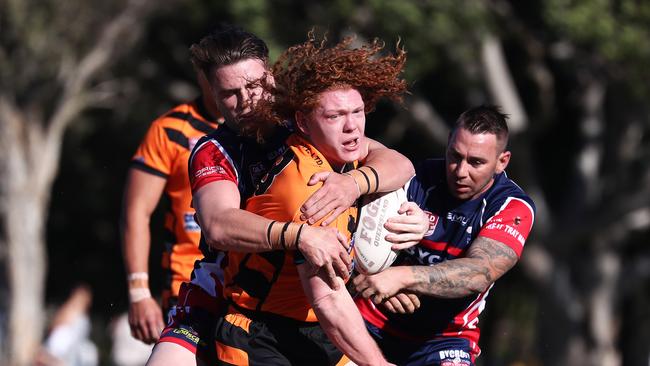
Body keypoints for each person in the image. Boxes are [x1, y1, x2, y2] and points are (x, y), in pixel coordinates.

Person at [146, 26, 417, 366]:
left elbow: (399, 163)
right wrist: (300, 235)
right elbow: (218, 224)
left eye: (253, 86)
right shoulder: (215, 150)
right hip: (220, 297)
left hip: (308, 311)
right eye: (230, 93)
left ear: (270, 78)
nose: (246, 101)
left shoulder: (305, 123)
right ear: (212, 93)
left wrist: (355, 184)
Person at [353, 105, 536, 365]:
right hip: (371, 321)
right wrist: (371, 276)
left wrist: (401, 278)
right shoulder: (416, 177)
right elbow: (356, 237)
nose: (461, 171)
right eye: (455, 156)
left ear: (502, 161)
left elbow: (479, 273)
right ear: (448, 142)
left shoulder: (511, 206)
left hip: (446, 338)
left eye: (476, 162)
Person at [120, 48, 222, 344]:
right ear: (200, 74)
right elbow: (136, 211)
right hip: (186, 285)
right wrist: (138, 291)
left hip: (253, 288)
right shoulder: (169, 131)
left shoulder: (269, 128)